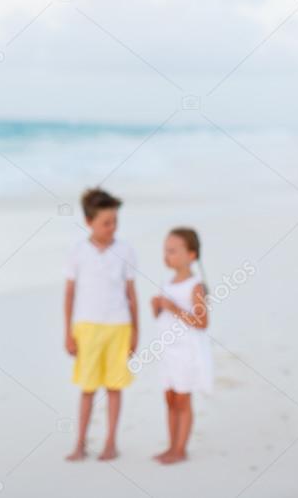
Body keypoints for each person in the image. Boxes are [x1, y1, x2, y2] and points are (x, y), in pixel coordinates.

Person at [64, 188, 139, 461]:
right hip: (87, 327)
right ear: (89, 222)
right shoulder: (77, 251)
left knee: (114, 387)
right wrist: (68, 333)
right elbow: (70, 293)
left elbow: (131, 295)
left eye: (115, 222)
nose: (112, 227)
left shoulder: (125, 250)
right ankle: (80, 443)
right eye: (106, 222)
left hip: (119, 326)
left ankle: (110, 443)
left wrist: (135, 332)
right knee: (87, 388)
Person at [151, 227, 213, 464]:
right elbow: (159, 316)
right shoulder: (166, 281)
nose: (167, 255)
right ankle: (171, 444)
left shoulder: (195, 286)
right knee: (169, 397)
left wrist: (173, 308)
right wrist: (156, 305)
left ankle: (180, 448)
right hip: (167, 350)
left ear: (191, 255)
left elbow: (202, 322)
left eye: (173, 251)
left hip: (186, 351)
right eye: (165, 251)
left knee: (182, 399)